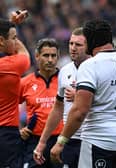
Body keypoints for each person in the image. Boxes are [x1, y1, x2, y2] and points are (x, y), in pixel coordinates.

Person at [45, 19, 116, 168]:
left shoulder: (91, 65)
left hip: (98, 140)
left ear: (90, 41)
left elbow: (79, 111)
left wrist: (61, 141)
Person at [33, 27, 90, 168]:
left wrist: (80, 96)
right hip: (70, 140)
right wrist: (42, 142)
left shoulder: (96, 68)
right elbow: (58, 108)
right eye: (71, 44)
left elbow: (107, 102)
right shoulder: (65, 71)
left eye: (78, 45)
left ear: (88, 46)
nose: (73, 48)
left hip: (92, 139)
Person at [19, 38, 63, 168]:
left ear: (58, 57)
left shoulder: (67, 80)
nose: (50, 60)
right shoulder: (25, 82)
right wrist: (18, 129)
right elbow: (8, 106)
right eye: (46, 55)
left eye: (53, 56)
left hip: (60, 142)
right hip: (34, 140)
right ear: (37, 56)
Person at [0, 11, 30, 167]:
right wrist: (12, 24)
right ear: (1, 41)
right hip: (6, 134)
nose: (15, 41)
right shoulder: (12, 65)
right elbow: (25, 54)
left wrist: (9, 27)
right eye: (14, 38)